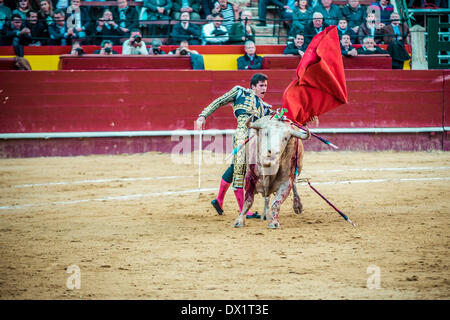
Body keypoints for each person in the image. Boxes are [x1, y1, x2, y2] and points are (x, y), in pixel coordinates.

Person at [196, 73, 275, 218]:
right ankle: (244, 210)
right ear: (253, 86)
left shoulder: (265, 107)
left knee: (235, 168)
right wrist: (203, 115)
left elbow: (276, 118)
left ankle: (219, 200)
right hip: (242, 135)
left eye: (266, 85)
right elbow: (219, 101)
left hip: (256, 141)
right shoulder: (240, 92)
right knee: (239, 170)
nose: (265, 88)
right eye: (261, 85)